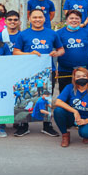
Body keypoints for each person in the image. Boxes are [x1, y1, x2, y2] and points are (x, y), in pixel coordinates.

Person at [12, 8, 65, 137]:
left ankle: (47, 125)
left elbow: (61, 49)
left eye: (40, 17)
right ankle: (23, 125)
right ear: (29, 19)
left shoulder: (52, 34)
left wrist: (56, 53)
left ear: (44, 18)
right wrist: (29, 54)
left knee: (46, 98)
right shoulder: (23, 34)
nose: (37, 20)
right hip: (27, 72)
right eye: (34, 17)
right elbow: (16, 52)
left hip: (47, 71)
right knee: (26, 97)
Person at [53, 67, 88, 147]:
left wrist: (87, 120)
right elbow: (58, 102)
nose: (81, 78)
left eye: (84, 76)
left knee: (86, 134)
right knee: (58, 111)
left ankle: (86, 131)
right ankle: (65, 135)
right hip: (73, 116)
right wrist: (75, 111)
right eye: (78, 76)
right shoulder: (69, 87)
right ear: (74, 78)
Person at [56, 10, 88, 94]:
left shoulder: (86, 32)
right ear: (66, 20)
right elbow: (54, 50)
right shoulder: (59, 33)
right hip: (65, 71)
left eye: (77, 18)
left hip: (84, 71)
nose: (74, 20)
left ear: (80, 20)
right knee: (65, 94)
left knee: (84, 94)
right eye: (71, 18)